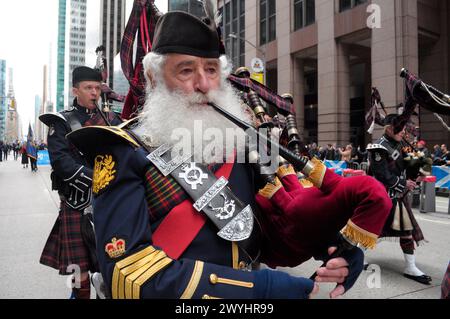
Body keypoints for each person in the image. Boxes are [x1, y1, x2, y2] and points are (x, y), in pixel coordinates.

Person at [68, 10, 391, 299]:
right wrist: (260, 290)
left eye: (211, 70)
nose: (204, 84)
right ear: (153, 77)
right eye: (185, 71)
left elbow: (279, 225)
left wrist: (337, 251)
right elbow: (129, 276)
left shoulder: (244, 145)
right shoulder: (122, 150)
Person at [39, 66, 122, 299]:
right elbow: (62, 162)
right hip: (77, 203)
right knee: (79, 270)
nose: (94, 92)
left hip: (110, 202)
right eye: (88, 88)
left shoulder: (113, 119)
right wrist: (100, 179)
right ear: (76, 90)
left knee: (112, 265)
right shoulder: (62, 121)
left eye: (97, 88)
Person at [368, 114, 432, 285]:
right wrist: (404, 183)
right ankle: (355, 255)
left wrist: (421, 168)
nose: (403, 131)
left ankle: (410, 267)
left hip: (398, 198)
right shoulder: (378, 147)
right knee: (370, 229)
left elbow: (417, 164)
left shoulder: (402, 144)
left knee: (406, 230)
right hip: (382, 196)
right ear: (388, 128)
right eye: (400, 128)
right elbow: (381, 174)